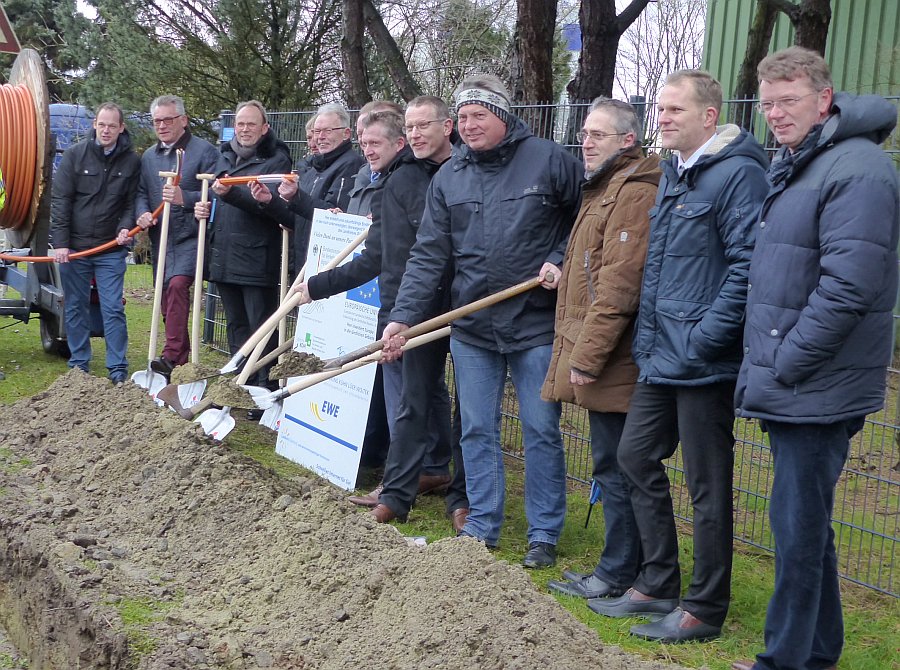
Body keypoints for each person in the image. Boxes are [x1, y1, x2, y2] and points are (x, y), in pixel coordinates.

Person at [732, 47, 899, 670]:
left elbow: (850, 286)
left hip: (817, 381)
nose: (775, 113)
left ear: (824, 99)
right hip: (798, 378)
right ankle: (820, 652)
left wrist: (787, 361)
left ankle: (785, 661)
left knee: (797, 531)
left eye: (789, 100)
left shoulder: (858, 170)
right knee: (806, 523)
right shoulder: (805, 159)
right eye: (768, 102)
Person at [588, 70, 768, 642]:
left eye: (674, 110)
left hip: (703, 360)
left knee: (708, 486)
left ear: (708, 117)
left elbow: (747, 266)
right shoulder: (676, 172)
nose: (662, 118)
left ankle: (705, 607)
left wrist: (704, 339)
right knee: (635, 457)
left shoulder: (738, 175)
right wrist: (655, 341)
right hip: (661, 355)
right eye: (660, 110)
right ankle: (657, 581)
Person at [383, 75, 583, 568]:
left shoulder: (549, 160)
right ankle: (482, 525)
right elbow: (429, 254)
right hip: (473, 326)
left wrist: (561, 257)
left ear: (503, 116)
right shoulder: (451, 176)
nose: (470, 126)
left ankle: (543, 533)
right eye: (464, 117)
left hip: (534, 321)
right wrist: (402, 317)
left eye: (479, 115)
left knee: (540, 429)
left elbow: (585, 221)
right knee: (475, 428)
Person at [303, 97, 463, 525]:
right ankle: (424, 471)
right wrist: (317, 286)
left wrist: (319, 288)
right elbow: (378, 254)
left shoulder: (408, 180)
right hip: (408, 303)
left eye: (375, 141)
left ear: (399, 143)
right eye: (362, 142)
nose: (368, 149)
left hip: (416, 307)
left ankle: (408, 478)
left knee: (410, 397)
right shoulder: (396, 180)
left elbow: (394, 257)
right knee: (421, 394)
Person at [542, 98, 661, 598]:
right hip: (603, 351)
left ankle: (618, 573)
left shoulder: (632, 194)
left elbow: (617, 285)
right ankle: (621, 568)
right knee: (611, 464)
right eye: (585, 134)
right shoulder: (604, 190)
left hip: (617, 357)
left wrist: (585, 358)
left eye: (598, 135)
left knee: (618, 466)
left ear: (627, 141)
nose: (585, 143)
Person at [50, 102, 141, 384]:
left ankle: (117, 369)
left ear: (121, 128)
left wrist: (126, 227)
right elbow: (61, 201)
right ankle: (79, 365)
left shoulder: (131, 161)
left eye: (112, 125)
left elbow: (130, 202)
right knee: (75, 306)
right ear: (94, 125)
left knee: (112, 307)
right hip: (75, 249)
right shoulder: (76, 156)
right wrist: (61, 243)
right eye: (101, 124)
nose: (106, 130)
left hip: (110, 249)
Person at [208, 100, 292, 390]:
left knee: (261, 326)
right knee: (235, 324)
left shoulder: (277, 160)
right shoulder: (225, 156)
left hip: (256, 257)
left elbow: (267, 204)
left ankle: (262, 386)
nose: (245, 129)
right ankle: (239, 382)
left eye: (251, 124)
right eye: (241, 124)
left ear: (264, 128)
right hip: (224, 255)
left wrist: (230, 194)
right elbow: (214, 196)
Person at [135, 94, 219, 378]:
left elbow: (217, 191)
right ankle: (179, 363)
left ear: (183, 120)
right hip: (162, 237)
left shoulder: (204, 152)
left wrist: (187, 197)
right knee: (164, 296)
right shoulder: (148, 157)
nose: (161, 125)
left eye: (167, 120)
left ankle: (171, 356)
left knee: (177, 285)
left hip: (191, 236)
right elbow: (141, 193)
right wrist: (143, 214)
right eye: (157, 121)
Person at [271, 104, 364, 273]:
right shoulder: (314, 169)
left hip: (327, 264)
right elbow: (297, 219)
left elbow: (336, 217)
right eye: (316, 131)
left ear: (346, 133)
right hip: (304, 262)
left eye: (327, 131)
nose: (319, 137)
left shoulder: (351, 165)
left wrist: (296, 197)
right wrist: (269, 201)